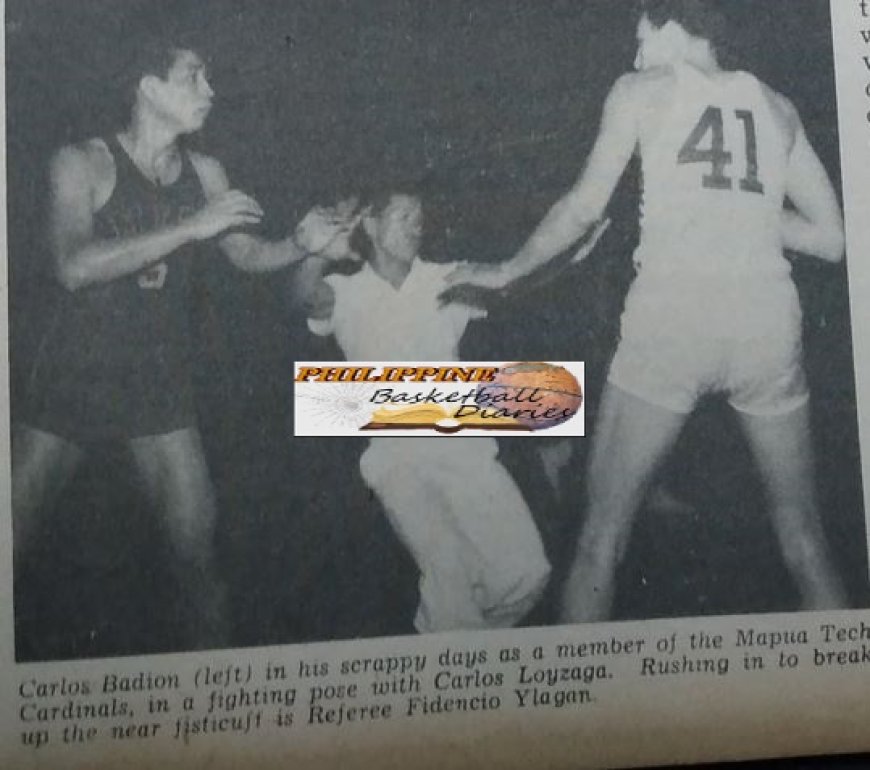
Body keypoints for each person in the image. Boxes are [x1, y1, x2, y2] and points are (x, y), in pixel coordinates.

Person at [444, 0, 848, 622]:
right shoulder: (778, 107)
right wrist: (743, 211)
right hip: (767, 325)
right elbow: (831, 239)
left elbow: (582, 209)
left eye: (640, 38)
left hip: (674, 319)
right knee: (802, 535)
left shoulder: (640, 90)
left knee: (601, 539)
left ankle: (582, 684)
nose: (634, 56)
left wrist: (506, 272)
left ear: (669, 25)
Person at [13, 37, 349, 648]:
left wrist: (300, 245)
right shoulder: (81, 162)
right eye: (194, 76)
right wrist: (191, 226)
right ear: (149, 87)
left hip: (156, 382)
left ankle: (213, 687)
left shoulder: (206, 173)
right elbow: (73, 266)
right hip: (72, 375)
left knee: (198, 557)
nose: (210, 90)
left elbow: (245, 254)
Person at [298, 189, 557, 632]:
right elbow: (302, 300)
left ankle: (453, 642)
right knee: (449, 580)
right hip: (396, 460)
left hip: (463, 449)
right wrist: (316, 254)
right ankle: (454, 649)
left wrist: (565, 256)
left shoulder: (446, 278)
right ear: (371, 225)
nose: (416, 225)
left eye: (419, 217)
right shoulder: (345, 290)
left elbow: (510, 281)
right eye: (403, 215)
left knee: (527, 574)